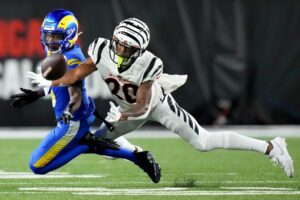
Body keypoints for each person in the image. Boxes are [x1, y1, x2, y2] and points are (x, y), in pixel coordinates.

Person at [28, 17, 294, 178]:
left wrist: (122, 116)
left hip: (155, 106)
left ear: (140, 50)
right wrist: (49, 83)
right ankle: (138, 154)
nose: (120, 50)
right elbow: (76, 75)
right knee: (101, 145)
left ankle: (271, 147)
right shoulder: (100, 48)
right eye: (118, 44)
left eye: (128, 48)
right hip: (125, 109)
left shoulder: (150, 63)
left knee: (204, 142)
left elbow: (143, 105)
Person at [11, 10, 161, 183]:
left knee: (37, 165)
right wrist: (37, 93)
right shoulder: (61, 53)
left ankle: (85, 143)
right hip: (77, 117)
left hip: (72, 121)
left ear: (70, 34)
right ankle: (138, 156)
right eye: (48, 35)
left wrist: (69, 110)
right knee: (68, 149)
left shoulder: (70, 59)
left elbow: (75, 94)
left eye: (56, 36)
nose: (50, 41)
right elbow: (60, 84)